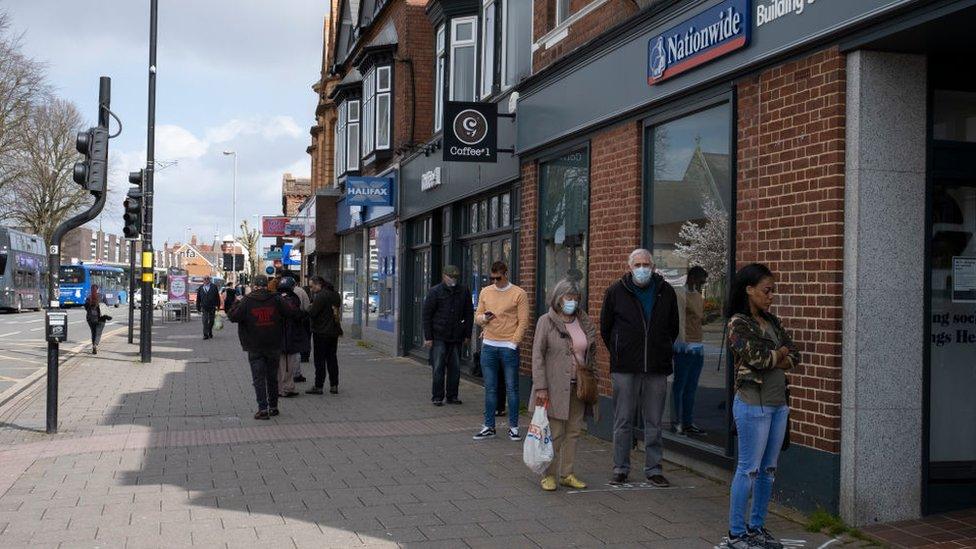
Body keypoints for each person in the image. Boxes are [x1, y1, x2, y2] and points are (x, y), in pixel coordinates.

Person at [723, 263, 798, 549]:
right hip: (754, 404)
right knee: (749, 469)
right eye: (767, 291)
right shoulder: (738, 324)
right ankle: (736, 533)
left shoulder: (773, 321)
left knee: (768, 469)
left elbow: (796, 356)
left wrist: (776, 354)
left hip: (779, 404)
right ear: (749, 289)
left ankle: (756, 528)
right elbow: (759, 359)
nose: (771, 296)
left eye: (773, 291)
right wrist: (778, 354)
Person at [599, 248, 678, 487]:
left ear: (653, 267)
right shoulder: (616, 291)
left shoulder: (666, 292)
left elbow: (672, 328)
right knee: (622, 420)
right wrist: (621, 350)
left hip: (656, 366)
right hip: (625, 366)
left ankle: (653, 469)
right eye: (638, 264)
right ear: (630, 267)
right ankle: (620, 468)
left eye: (646, 264)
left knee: (654, 421)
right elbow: (606, 328)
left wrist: (660, 348)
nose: (642, 269)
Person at [531, 279, 598, 491]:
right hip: (553, 385)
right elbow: (537, 355)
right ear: (559, 298)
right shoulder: (546, 321)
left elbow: (590, 352)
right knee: (556, 432)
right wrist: (540, 386)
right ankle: (548, 474)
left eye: (576, 299)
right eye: (569, 298)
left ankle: (567, 473)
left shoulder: (583, 321)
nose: (573, 302)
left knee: (574, 432)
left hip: (578, 386)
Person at [227, 274, 305, 420]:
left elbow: (233, 317)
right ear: (267, 285)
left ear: (255, 286)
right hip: (273, 344)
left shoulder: (247, 300)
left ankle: (262, 409)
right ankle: (274, 407)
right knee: (272, 377)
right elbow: (291, 313)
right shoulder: (276, 299)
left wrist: (236, 302)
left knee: (258, 379)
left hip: (254, 345)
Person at [472, 261, 529, 441]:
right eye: (492, 278)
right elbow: (477, 317)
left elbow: (524, 321)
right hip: (489, 345)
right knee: (490, 388)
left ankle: (513, 427)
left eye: (498, 278)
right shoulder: (485, 292)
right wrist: (484, 319)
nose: (495, 281)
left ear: (506, 274)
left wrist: (514, 343)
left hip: (508, 346)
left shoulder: (519, 293)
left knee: (512, 388)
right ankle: (489, 426)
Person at [422, 264, 473, 406]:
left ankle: (452, 395)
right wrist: (428, 337)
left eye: (455, 277)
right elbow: (427, 315)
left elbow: (469, 314)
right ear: (444, 276)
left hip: (456, 335)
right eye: (451, 277)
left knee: (455, 368)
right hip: (439, 335)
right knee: (438, 367)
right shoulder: (435, 292)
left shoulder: (463, 291)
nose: (453, 279)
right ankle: (437, 396)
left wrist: (467, 334)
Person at [672, 266, 708, 436]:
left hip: (697, 345)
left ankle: (687, 421)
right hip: (684, 347)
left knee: (691, 387)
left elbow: (699, 319)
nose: (701, 285)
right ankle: (676, 421)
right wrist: (680, 342)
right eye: (700, 281)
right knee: (680, 386)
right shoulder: (680, 294)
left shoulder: (698, 296)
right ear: (692, 277)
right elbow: (678, 318)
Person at [306, 276, 342, 395]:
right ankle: (334, 385)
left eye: (312, 286)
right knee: (332, 358)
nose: (311, 289)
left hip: (321, 332)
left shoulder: (321, 296)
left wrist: (309, 307)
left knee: (320, 360)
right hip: (333, 331)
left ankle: (318, 386)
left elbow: (312, 313)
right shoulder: (335, 295)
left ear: (318, 284)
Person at [277, 276, 308, 399]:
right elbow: (296, 314)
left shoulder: (276, 297)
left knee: (279, 364)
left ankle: (279, 388)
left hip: (276, 335)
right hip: (289, 335)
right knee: (288, 363)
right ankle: (287, 388)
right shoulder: (292, 298)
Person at [292, 280, 312, 383]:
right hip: (300, 320)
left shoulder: (277, 291)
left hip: (285, 324)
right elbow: (307, 307)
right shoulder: (301, 291)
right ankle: (304, 357)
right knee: (302, 340)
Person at [84, 284, 109, 355]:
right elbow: (107, 306)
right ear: (98, 289)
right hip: (100, 318)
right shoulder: (102, 296)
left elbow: (86, 307)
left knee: (93, 332)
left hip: (90, 318)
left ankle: (93, 346)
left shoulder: (89, 297)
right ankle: (95, 345)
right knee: (98, 333)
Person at [196, 276, 221, 340]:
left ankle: (209, 331)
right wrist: (198, 307)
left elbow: (217, 297)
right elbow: (198, 298)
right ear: (203, 280)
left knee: (211, 321)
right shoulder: (201, 288)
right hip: (204, 307)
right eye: (205, 279)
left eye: (207, 279)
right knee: (205, 321)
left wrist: (218, 305)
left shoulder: (214, 287)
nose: (206, 280)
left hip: (212, 307)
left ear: (209, 280)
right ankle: (205, 334)